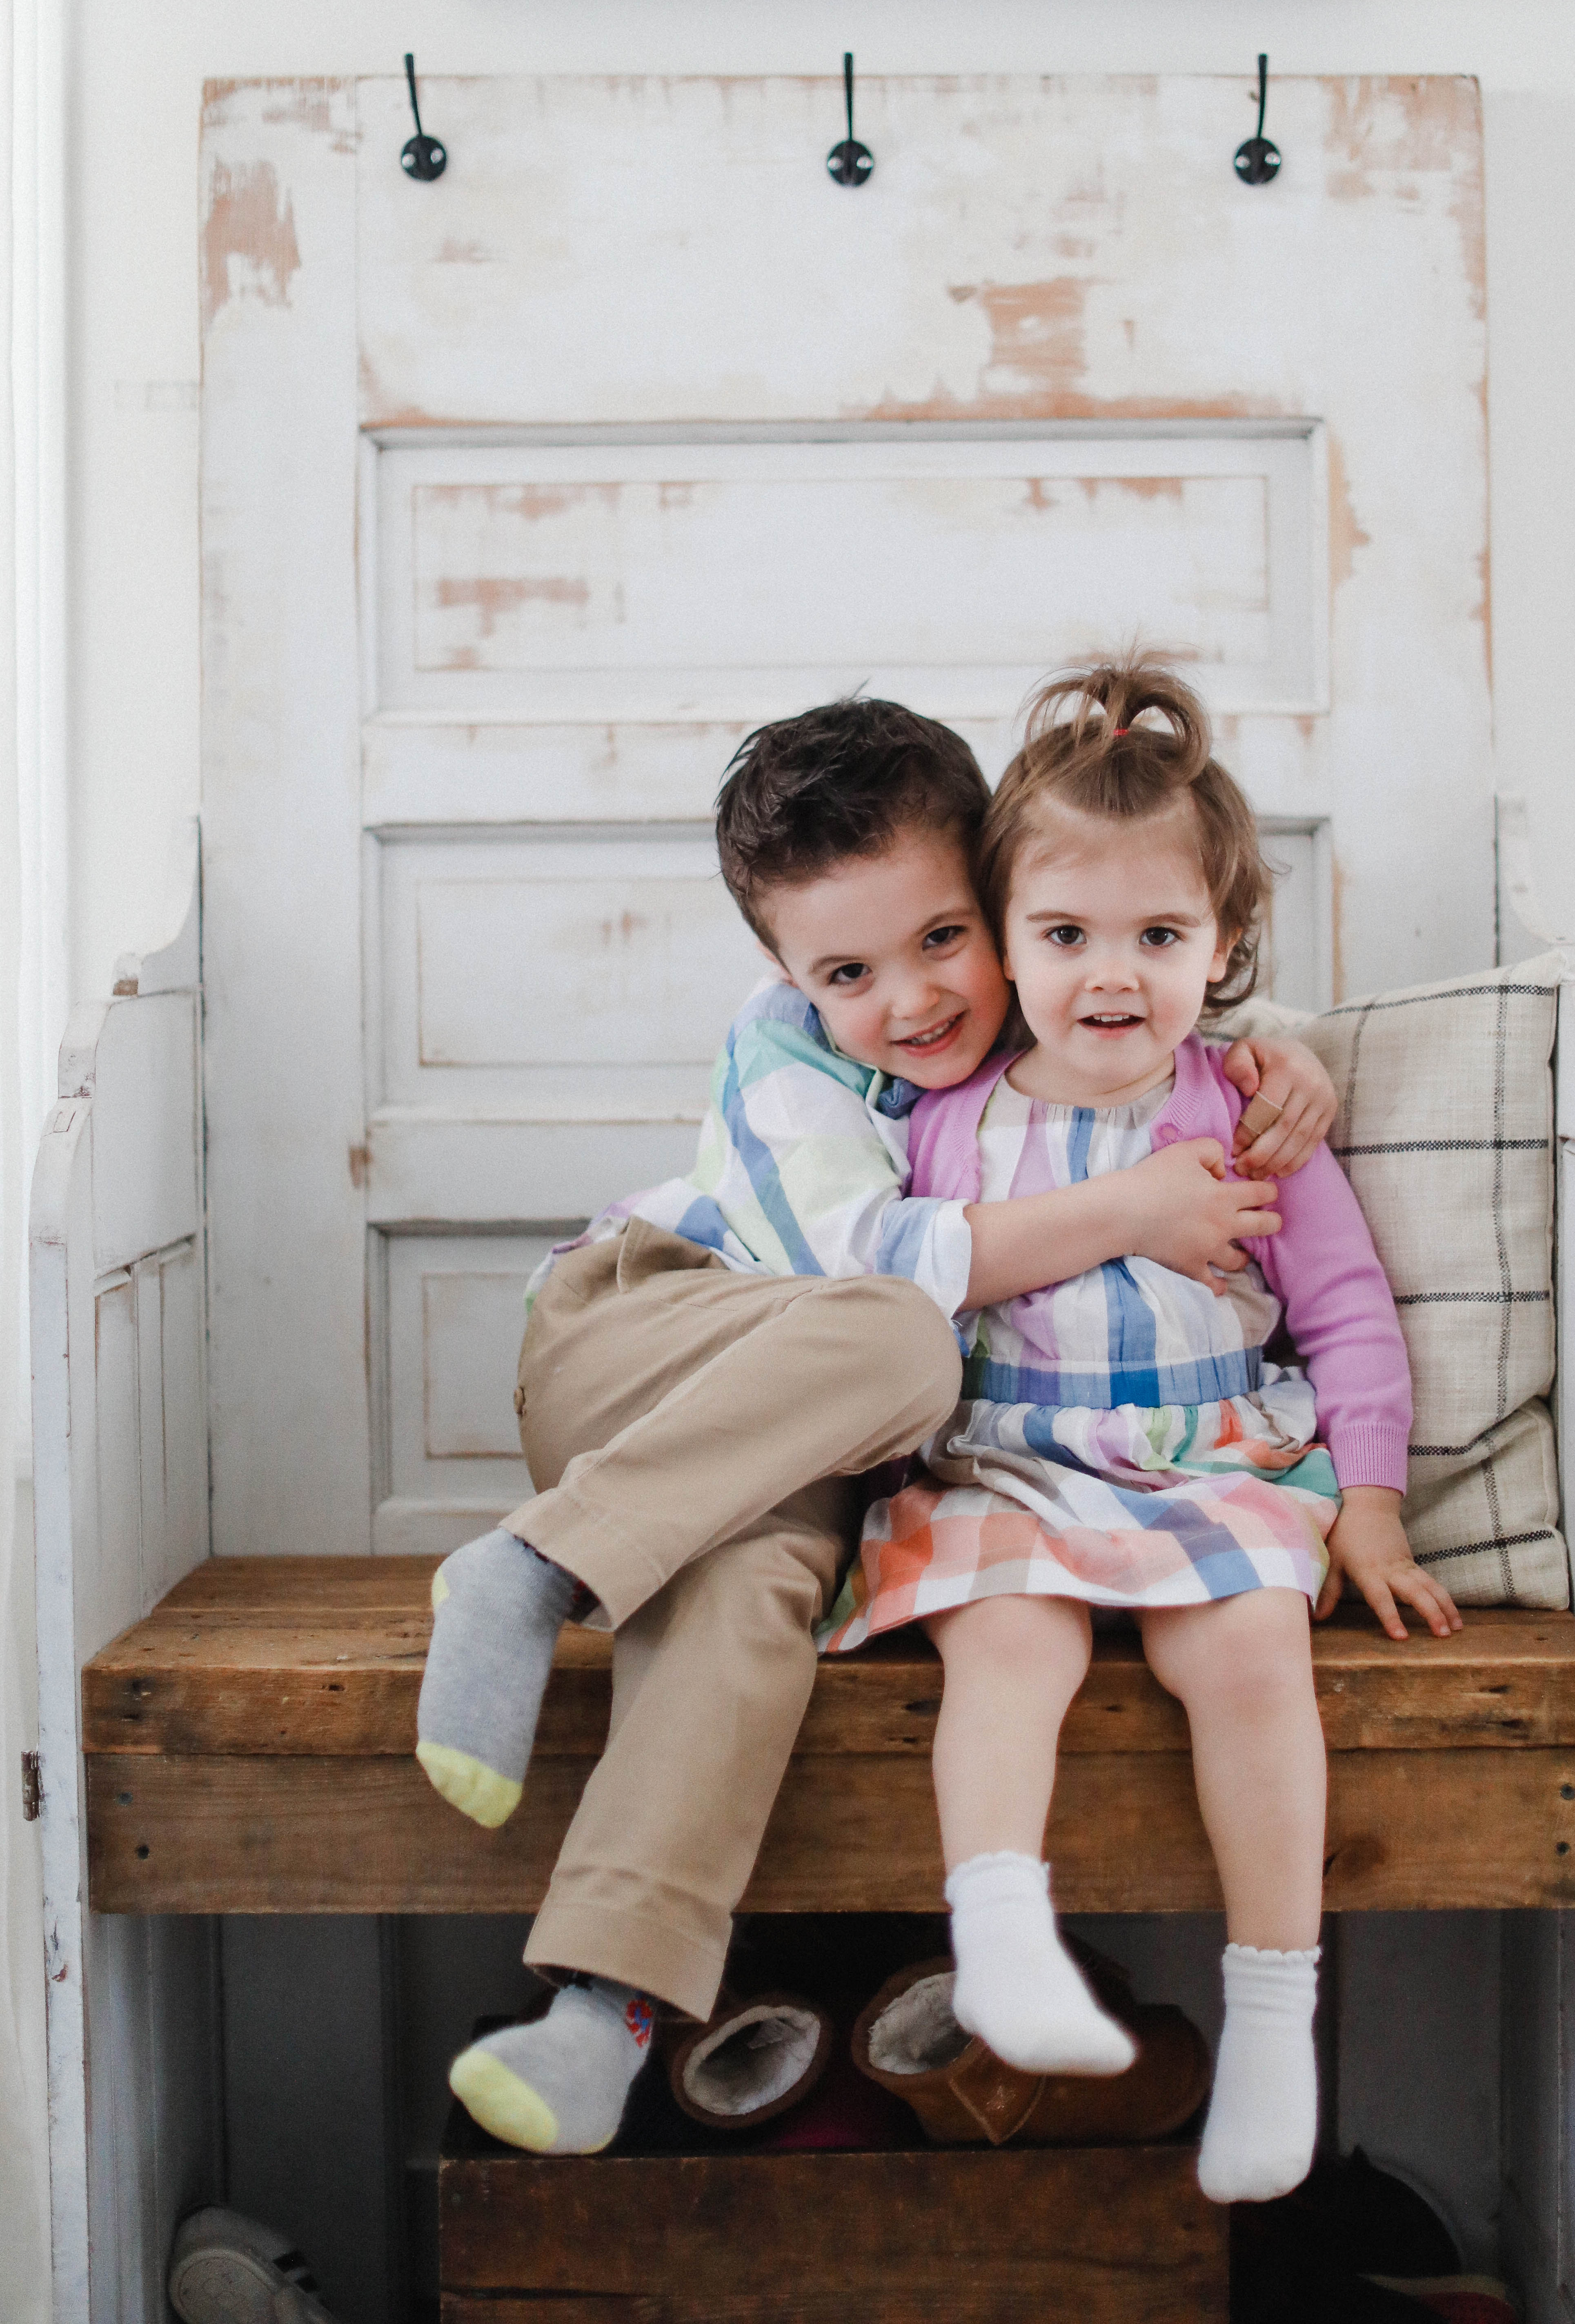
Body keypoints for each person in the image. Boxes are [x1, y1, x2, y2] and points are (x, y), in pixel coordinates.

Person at [414, 692, 1339, 2155]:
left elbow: (1155, 969)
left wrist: (1293, 1065)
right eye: (848, 969)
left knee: (758, 1592)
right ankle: (529, 1569)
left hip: (781, 1460)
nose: (911, 1000)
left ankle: (603, 2011)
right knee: (899, 1333)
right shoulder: (791, 1060)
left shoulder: (1033, 1015)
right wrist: (1136, 1211)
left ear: (997, 891)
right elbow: (882, 1270)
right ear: (787, 973)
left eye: (941, 939)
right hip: (642, 1346)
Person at [818, 654, 1462, 2204]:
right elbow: (875, 1277)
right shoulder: (944, 1113)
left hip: (1211, 1456)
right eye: (1066, 935)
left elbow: (1352, 1315)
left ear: (1227, 946)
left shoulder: (1246, 1110)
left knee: (1248, 1646)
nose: (1113, 975)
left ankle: (1269, 2020)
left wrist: (1366, 1500)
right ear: (1001, 940)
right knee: (1006, 1632)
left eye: (1160, 936)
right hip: (1010, 1464)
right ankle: (1002, 1936)